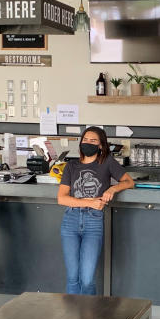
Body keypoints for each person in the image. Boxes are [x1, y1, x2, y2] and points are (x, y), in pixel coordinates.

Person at [56, 126, 134, 295]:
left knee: (87, 279)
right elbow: (61, 198)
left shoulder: (107, 163)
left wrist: (112, 189)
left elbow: (129, 182)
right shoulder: (71, 166)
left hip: (93, 223)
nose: (88, 143)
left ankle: (89, 318)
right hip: (70, 221)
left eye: (93, 141)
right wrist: (88, 202)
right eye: (85, 140)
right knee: (72, 278)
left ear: (101, 145)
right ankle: (73, 318)